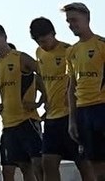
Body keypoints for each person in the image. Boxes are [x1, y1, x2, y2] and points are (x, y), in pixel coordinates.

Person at [31, 16, 93, 180]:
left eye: (45, 41)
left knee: (84, 164)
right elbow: (43, 79)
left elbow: (78, 80)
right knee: (48, 162)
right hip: (52, 118)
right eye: (39, 42)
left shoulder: (69, 51)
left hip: (71, 116)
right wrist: (44, 99)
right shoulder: (39, 53)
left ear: (53, 33)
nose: (43, 45)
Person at [0, 24, 44, 181]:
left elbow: (44, 75)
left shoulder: (20, 57)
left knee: (38, 163)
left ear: (4, 37)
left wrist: (40, 102)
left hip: (27, 120)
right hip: (8, 124)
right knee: (23, 166)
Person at [64, 2, 105, 179]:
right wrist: (72, 120)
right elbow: (71, 86)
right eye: (68, 21)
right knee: (95, 165)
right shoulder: (71, 51)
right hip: (83, 111)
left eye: (74, 20)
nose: (71, 24)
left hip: (102, 106)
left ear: (87, 18)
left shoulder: (101, 44)